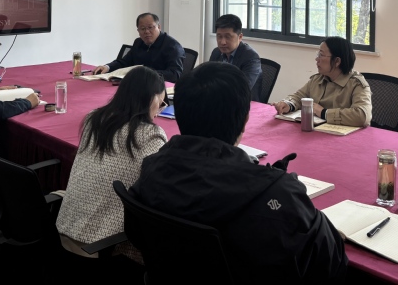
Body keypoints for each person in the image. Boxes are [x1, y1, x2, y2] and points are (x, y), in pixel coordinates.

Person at [131, 62, 347, 283]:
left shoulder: (152, 168)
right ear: (245, 120)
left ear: (179, 115)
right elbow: (330, 261)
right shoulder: (277, 195)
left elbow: (136, 233)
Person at [56, 66, 166, 269]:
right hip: (103, 246)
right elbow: (159, 188)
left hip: (65, 230)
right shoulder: (150, 135)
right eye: (161, 104)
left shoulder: (94, 119)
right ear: (151, 99)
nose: (159, 112)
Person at [274, 36, 372, 128]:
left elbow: (362, 116)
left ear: (337, 61)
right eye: (318, 54)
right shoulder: (318, 79)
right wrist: (288, 104)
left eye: (321, 55)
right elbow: (299, 97)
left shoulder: (356, 84)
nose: (317, 59)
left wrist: (323, 113)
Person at [93, 13, 184, 83]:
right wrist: (107, 67)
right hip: (138, 85)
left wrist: (146, 74)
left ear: (159, 27)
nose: (147, 31)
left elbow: (175, 74)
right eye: (143, 28)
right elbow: (125, 62)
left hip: (159, 88)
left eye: (150, 27)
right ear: (138, 30)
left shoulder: (172, 46)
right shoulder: (138, 42)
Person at [208, 14, 263, 98]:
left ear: (240, 37)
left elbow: (242, 89)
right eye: (219, 36)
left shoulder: (251, 57)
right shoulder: (216, 52)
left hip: (243, 102)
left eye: (228, 37)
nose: (223, 42)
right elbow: (208, 79)